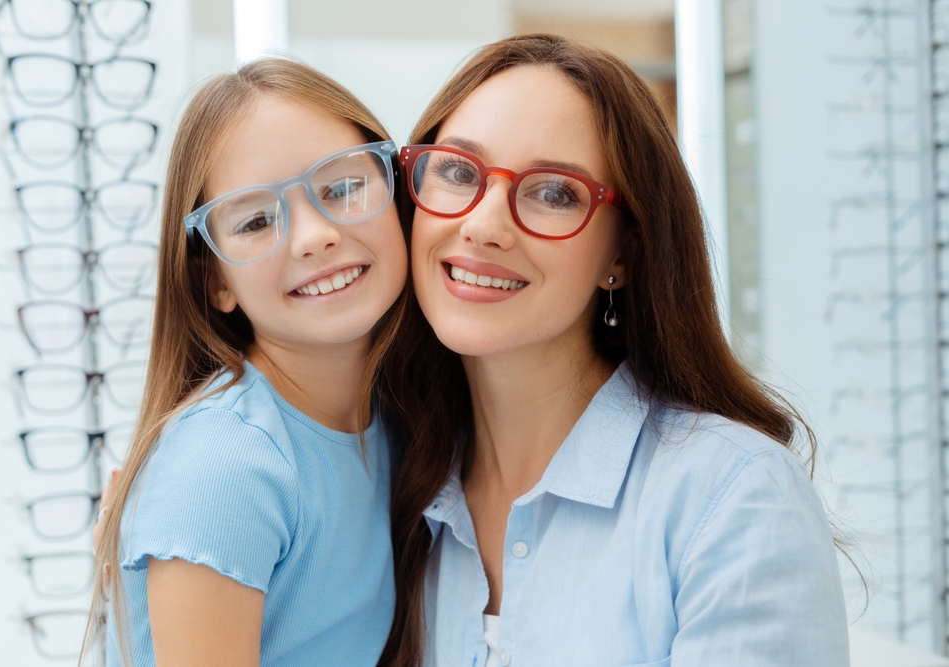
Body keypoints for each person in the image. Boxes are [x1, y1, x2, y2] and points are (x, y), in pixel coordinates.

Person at [375, 34, 849, 667]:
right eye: (459, 172)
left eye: (553, 193)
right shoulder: (394, 490)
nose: (484, 225)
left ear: (621, 255)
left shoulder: (731, 496)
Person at [86, 58, 408, 667]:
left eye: (341, 187)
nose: (314, 235)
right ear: (216, 283)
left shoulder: (396, 415)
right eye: (257, 220)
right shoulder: (227, 463)